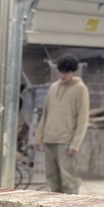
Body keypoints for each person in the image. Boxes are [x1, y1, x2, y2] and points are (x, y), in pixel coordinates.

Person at [34, 55, 89, 195]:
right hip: (49, 140)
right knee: (52, 180)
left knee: (69, 181)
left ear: (73, 72)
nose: (63, 75)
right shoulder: (53, 87)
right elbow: (45, 114)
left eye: (67, 72)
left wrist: (76, 144)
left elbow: (83, 118)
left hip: (66, 142)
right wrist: (38, 137)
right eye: (61, 72)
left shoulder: (80, 89)